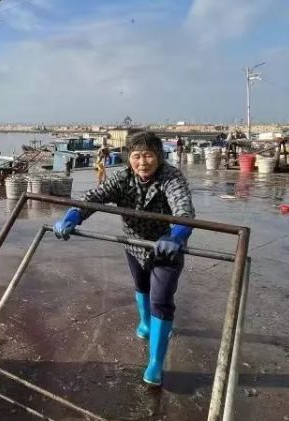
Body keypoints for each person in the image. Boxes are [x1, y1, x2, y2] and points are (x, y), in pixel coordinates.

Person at [53, 131, 195, 386]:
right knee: (141, 286)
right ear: (129, 157)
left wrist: (176, 236)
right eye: (137, 156)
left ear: (160, 156)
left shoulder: (171, 177)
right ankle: (144, 323)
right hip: (134, 245)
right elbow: (93, 198)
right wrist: (72, 217)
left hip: (166, 249)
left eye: (149, 156)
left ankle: (155, 363)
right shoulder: (123, 178)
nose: (143, 162)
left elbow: (184, 210)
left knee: (161, 300)